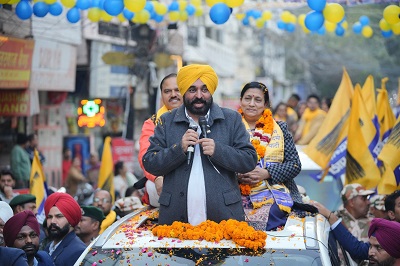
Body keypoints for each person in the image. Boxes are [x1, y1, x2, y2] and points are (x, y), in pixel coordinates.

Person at [143, 64, 257, 226]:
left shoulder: (231, 119)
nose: (199, 95)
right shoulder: (167, 121)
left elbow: (249, 160)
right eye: (192, 90)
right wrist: (178, 149)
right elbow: (150, 162)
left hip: (224, 219)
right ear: (184, 91)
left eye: (204, 89)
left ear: (211, 91)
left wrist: (218, 151)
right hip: (176, 222)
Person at [236, 81, 303, 230]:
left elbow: (295, 165)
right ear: (240, 101)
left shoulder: (280, 128)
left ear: (266, 104)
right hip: (236, 194)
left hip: (274, 195)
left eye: (258, 100)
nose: (252, 104)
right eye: (247, 98)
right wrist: (238, 174)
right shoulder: (229, 127)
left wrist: (266, 173)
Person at [312, 190, 400, 262]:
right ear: (391, 214)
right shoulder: (388, 235)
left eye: (378, 247)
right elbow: (358, 250)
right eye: (372, 247)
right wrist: (331, 217)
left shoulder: (372, 223)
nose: (371, 253)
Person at [138, 73, 183, 207]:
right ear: (162, 95)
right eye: (167, 91)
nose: (173, 95)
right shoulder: (152, 123)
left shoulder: (198, 117)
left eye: (177, 90)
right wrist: (156, 178)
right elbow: (145, 157)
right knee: (152, 187)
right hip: (164, 182)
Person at [44, 192, 86, 265]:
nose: (52, 221)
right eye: (49, 217)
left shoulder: (78, 251)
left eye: (59, 216)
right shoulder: (49, 246)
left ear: (70, 220)